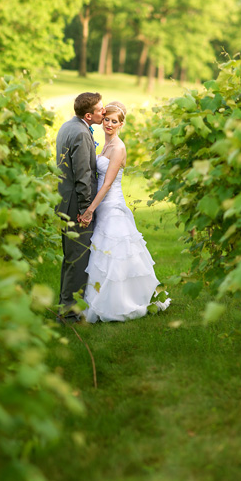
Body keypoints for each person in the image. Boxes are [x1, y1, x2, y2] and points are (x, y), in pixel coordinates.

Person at [79, 101, 171, 323]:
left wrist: (90, 209)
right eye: (107, 119)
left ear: (121, 124)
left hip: (111, 205)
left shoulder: (118, 147)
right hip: (102, 204)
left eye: (114, 121)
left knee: (115, 254)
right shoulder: (105, 144)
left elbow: (108, 183)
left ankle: (120, 302)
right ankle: (99, 297)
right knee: (103, 254)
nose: (109, 124)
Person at [55, 92, 105, 320]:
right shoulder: (82, 134)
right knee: (78, 260)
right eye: (100, 110)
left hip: (64, 202)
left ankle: (64, 306)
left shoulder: (68, 126)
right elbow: (83, 175)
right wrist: (87, 209)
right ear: (89, 114)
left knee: (70, 258)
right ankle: (70, 314)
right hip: (76, 204)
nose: (103, 112)